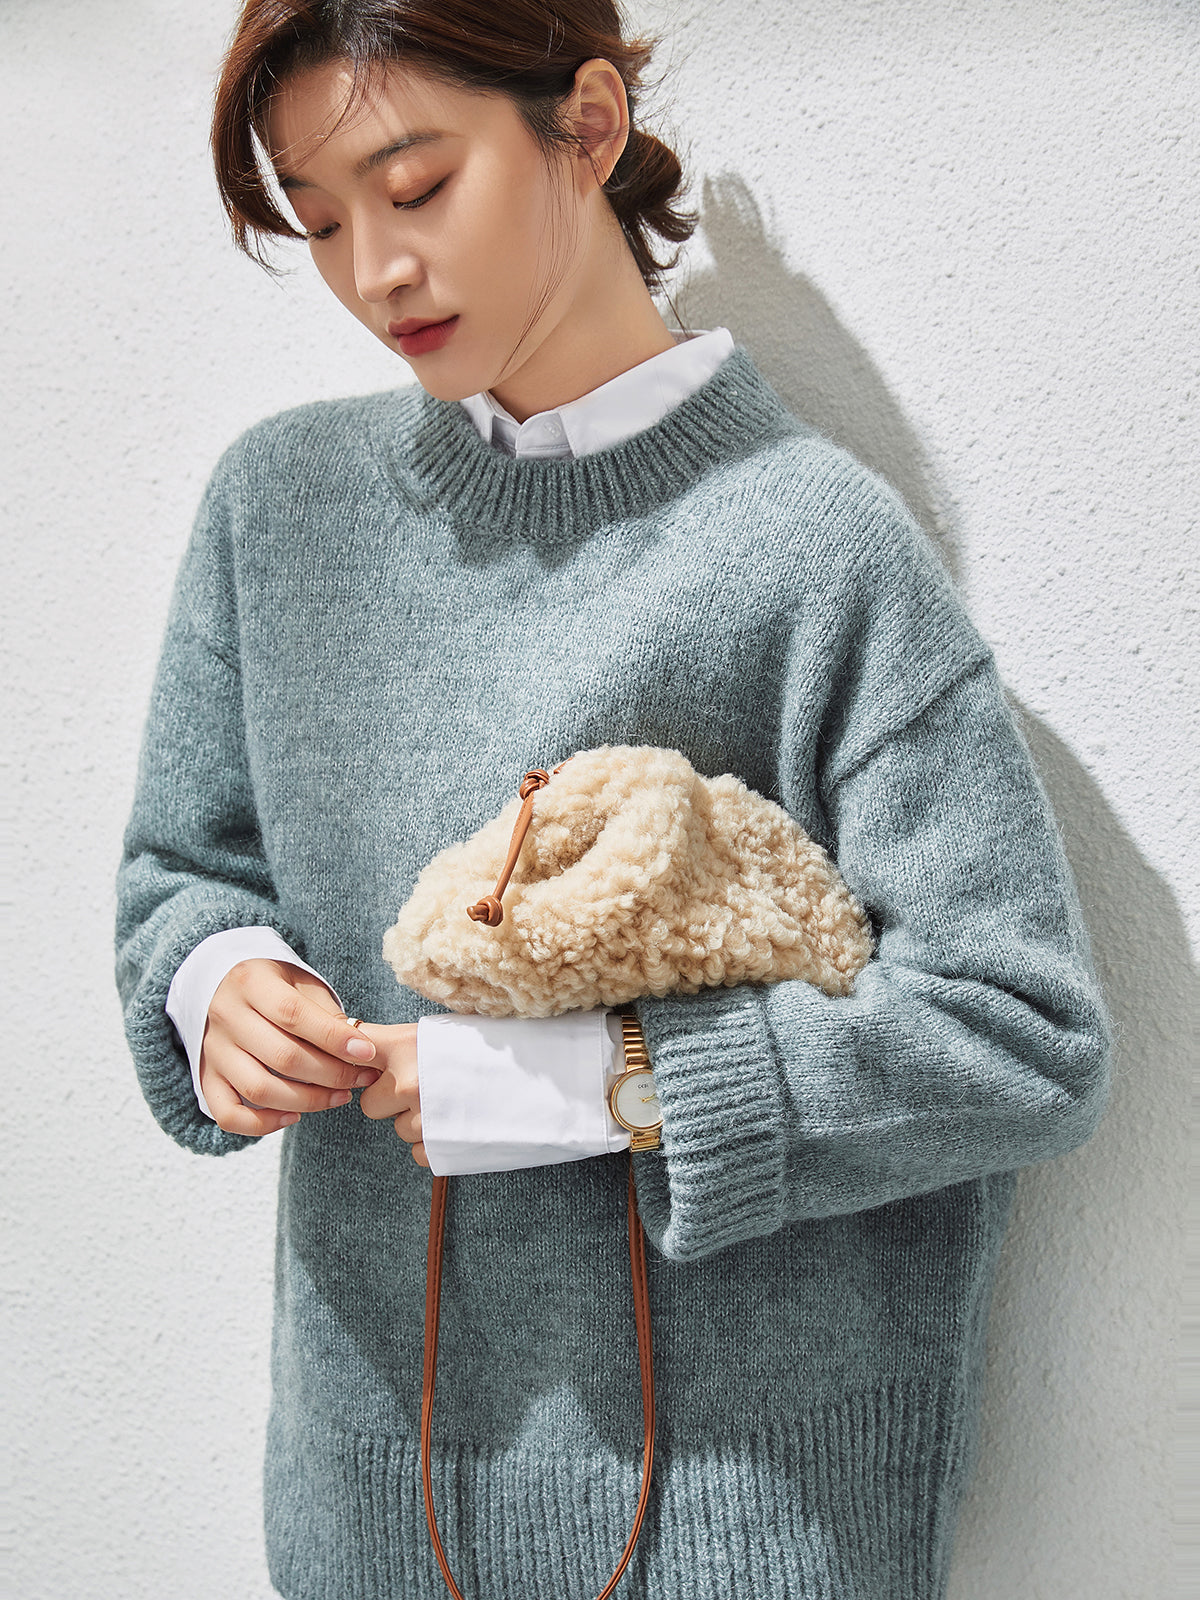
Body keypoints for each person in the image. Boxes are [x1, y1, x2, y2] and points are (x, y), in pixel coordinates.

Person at [114, 3, 1113, 1596]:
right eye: (321, 220)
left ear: (586, 125)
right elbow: (186, 869)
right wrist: (215, 982)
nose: (376, 271)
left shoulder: (813, 548)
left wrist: (600, 1086)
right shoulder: (276, 513)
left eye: (417, 186)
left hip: (744, 1527)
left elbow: (1021, 1036)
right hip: (369, 1513)